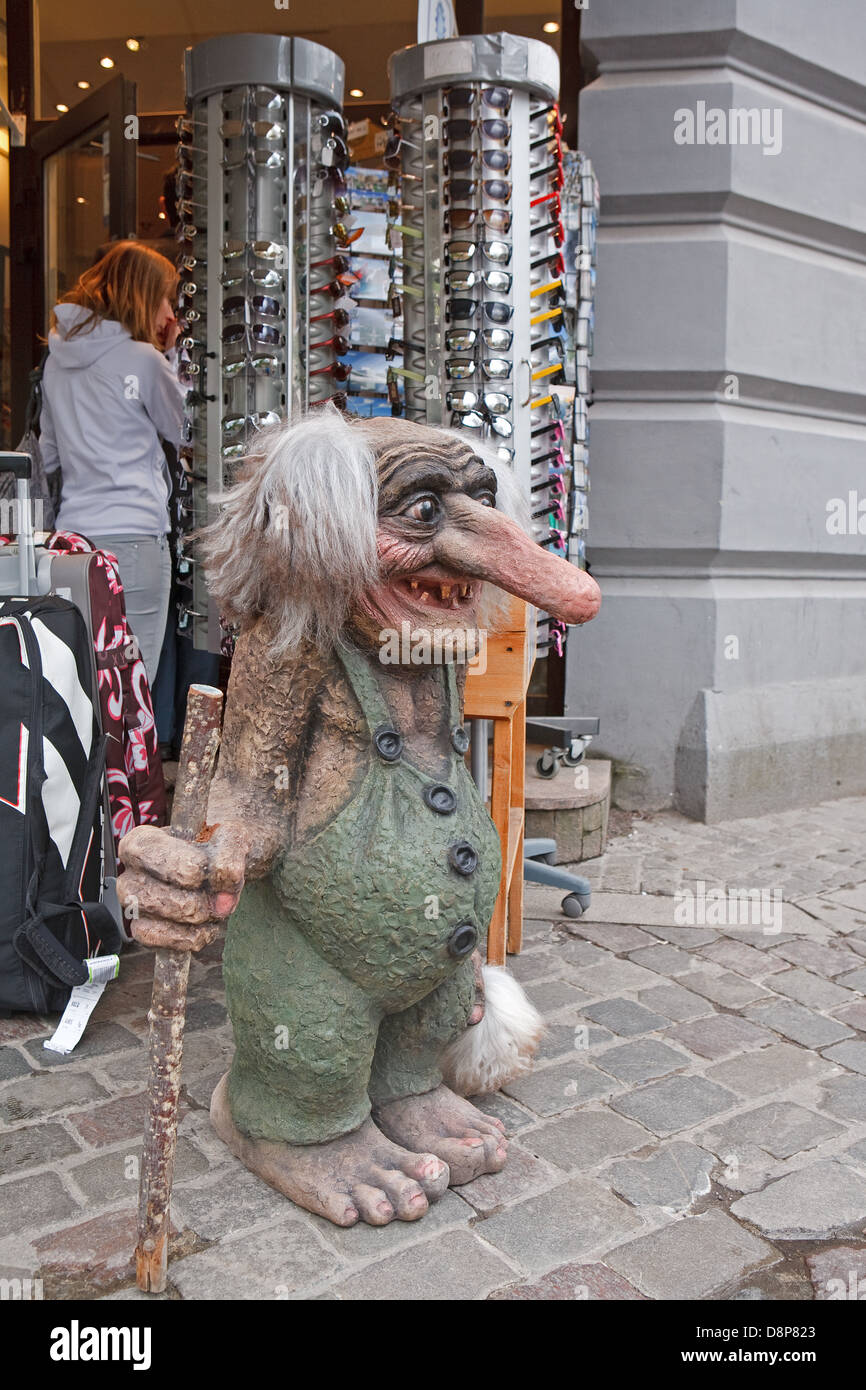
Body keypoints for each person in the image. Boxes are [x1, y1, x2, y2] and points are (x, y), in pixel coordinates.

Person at [39, 240, 184, 684]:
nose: (169, 312)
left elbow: (49, 455)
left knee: (81, 681)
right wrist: (173, 353)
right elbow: (185, 432)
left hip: (74, 540)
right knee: (130, 683)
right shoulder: (143, 360)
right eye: (166, 297)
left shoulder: (56, 362)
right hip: (135, 539)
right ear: (143, 294)